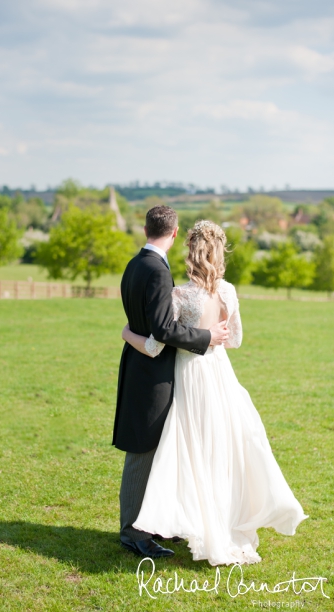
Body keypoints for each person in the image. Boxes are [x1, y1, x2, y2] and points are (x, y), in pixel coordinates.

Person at [121, 219, 307, 566]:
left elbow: (159, 342)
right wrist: (214, 333)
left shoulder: (181, 295)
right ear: (219, 254)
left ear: (190, 251)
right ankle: (219, 523)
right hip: (219, 375)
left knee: (190, 450)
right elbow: (233, 340)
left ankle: (187, 520)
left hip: (190, 377)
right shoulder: (229, 292)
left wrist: (127, 334)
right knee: (221, 449)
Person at [113, 205, 229, 560]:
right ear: (175, 233)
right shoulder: (158, 271)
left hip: (139, 364)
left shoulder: (135, 265)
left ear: (147, 229)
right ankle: (133, 532)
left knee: (157, 450)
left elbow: (143, 323)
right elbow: (163, 330)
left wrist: (129, 335)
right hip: (152, 373)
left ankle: (156, 523)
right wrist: (206, 336)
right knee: (144, 451)